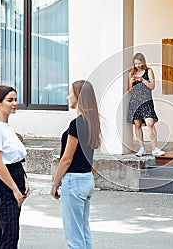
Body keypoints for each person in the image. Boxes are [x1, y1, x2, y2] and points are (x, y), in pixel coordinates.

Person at [51, 80, 101, 249]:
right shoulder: (91, 122)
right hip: (87, 179)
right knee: (83, 231)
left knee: (74, 237)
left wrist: (55, 183)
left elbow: (66, 159)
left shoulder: (77, 124)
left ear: (78, 96)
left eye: (70, 93)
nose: (67, 97)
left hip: (74, 181)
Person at [0, 85, 30, 249]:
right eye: (10, 100)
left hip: (14, 176)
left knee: (6, 232)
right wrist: (15, 190)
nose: (15, 103)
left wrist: (24, 180)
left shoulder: (6, 126)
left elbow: (16, 158)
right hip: (3, 183)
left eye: (15, 99)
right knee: (10, 233)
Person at [127, 52, 165, 157]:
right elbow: (130, 90)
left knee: (150, 123)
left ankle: (154, 148)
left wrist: (142, 80)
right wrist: (131, 82)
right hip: (135, 102)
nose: (137, 65)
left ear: (143, 62)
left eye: (139, 63)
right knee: (138, 125)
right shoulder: (132, 73)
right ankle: (142, 148)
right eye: (135, 63)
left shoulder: (148, 71)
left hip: (147, 101)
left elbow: (152, 86)